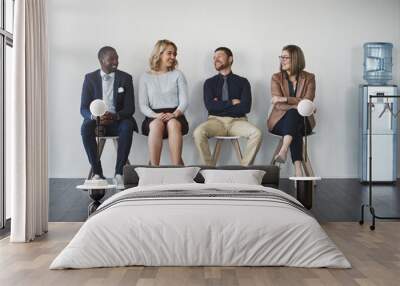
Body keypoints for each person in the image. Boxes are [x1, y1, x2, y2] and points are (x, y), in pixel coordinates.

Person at [80, 46, 137, 189]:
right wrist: (95, 117)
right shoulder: (90, 78)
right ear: (101, 60)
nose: (116, 62)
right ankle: (97, 173)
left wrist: (115, 116)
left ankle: (119, 174)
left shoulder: (126, 78)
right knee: (85, 127)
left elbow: (130, 109)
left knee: (128, 125)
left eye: (117, 58)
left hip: (118, 119)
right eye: (111, 59)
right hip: (98, 121)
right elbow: (83, 108)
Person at [193, 47, 262, 166]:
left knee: (257, 133)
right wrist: (232, 102)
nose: (215, 60)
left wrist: (219, 104)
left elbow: (245, 108)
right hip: (215, 121)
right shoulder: (209, 83)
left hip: (238, 122)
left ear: (230, 59)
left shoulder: (243, 82)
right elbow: (210, 106)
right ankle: (209, 169)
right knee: (198, 132)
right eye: (214, 58)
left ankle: (244, 169)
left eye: (219, 56)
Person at [267, 44, 316, 177]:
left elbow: (308, 101)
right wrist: (298, 104)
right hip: (279, 121)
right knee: (295, 123)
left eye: (285, 57)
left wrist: (284, 99)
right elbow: (278, 106)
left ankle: (283, 150)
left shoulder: (309, 78)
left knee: (294, 119)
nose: (282, 60)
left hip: (305, 121)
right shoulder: (276, 77)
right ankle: (298, 170)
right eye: (281, 57)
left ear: (296, 59)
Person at [139, 39, 189, 166]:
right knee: (156, 125)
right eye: (169, 53)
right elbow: (143, 105)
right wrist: (156, 115)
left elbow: (184, 101)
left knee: (172, 123)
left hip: (176, 114)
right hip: (153, 115)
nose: (173, 57)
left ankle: (177, 167)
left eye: (175, 54)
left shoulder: (178, 74)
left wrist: (175, 114)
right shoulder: (145, 77)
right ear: (159, 54)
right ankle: (154, 168)